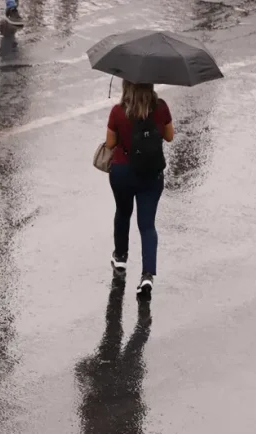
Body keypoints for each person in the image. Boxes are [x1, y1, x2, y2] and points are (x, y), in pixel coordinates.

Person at [104, 80, 174, 297]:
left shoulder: (118, 111)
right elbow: (170, 137)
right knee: (147, 225)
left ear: (127, 85)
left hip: (123, 173)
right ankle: (147, 275)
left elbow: (109, 144)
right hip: (151, 174)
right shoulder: (161, 107)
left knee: (123, 213)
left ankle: (121, 257)